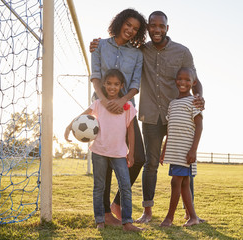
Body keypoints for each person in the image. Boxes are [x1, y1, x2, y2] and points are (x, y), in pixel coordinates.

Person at [90, 10, 205, 223]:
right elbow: (102, 71)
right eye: (153, 26)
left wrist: (199, 97)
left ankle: (191, 213)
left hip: (175, 115)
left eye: (161, 26)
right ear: (148, 29)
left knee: (183, 161)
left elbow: (195, 80)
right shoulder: (136, 50)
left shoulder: (176, 52)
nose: (157, 30)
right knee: (147, 163)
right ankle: (140, 211)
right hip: (148, 114)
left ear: (167, 28)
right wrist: (95, 45)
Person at [65, 69, 142, 231]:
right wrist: (68, 127)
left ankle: (127, 222)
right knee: (99, 186)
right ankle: (100, 219)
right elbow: (81, 117)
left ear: (121, 85)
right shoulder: (98, 104)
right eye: (108, 84)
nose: (112, 87)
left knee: (125, 186)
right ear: (103, 85)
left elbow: (131, 132)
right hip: (99, 152)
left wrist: (131, 153)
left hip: (119, 154)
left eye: (116, 84)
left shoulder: (128, 108)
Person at [90, 8, 147, 225]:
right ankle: (104, 213)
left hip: (125, 111)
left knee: (138, 157)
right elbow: (95, 77)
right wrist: (105, 101)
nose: (131, 30)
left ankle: (117, 202)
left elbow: (134, 86)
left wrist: (122, 101)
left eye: (136, 28)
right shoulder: (100, 46)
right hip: (102, 110)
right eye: (128, 25)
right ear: (120, 22)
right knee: (103, 159)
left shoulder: (137, 54)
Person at [159, 67, 203, 227]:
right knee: (184, 184)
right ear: (175, 80)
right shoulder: (172, 104)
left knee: (175, 182)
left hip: (186, 152)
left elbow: (199, 127)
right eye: (180, 79)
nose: (183, 82)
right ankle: (193, 217)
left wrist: (193, 150)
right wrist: (164, 151)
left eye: (187, 80)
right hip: (174, 152)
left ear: (193, 83)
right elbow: (169, 130)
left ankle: (169, 218)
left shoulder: (194, 102)